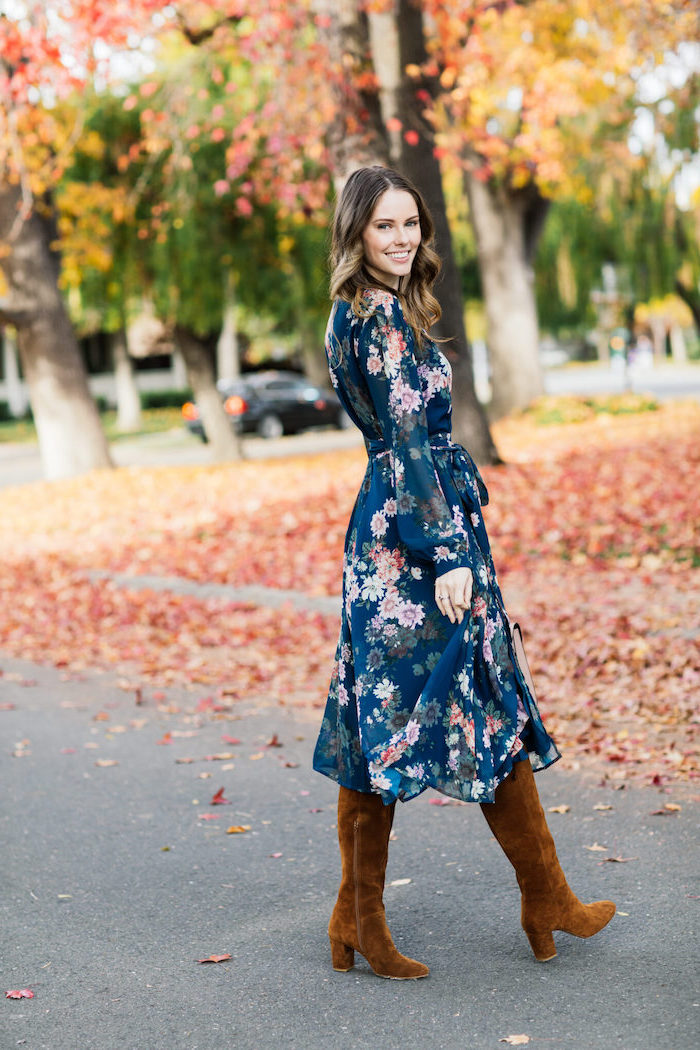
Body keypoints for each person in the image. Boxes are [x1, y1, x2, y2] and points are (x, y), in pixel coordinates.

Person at [312, 166, 615, 980]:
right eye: (385, 227)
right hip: (414, 538)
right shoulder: (373, 322)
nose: (404, 239)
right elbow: (408, 439)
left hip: (398, 523)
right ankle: (380, 914)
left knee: (407, 708)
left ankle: (375, 914)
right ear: (356, 233)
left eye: (412, 223)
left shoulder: (364, 312)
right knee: (452, 700)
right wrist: (445, 554)